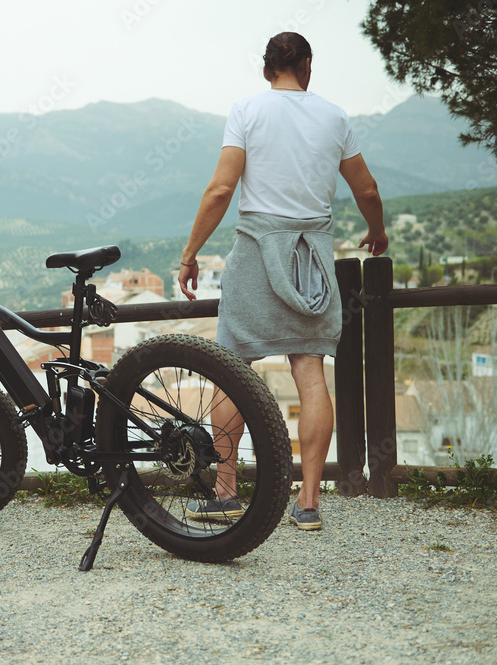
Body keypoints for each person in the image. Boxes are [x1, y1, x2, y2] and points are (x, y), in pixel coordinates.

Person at [179, 32, 387, 531]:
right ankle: (310, 502)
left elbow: (222, 188)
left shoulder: (246, 110)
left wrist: (190, 255)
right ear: (307, 65)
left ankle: (227, 491)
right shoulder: (334, 116)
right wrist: (376, 232)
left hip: (255, 252)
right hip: (310, 258)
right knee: (310, 373)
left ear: (267, 68)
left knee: (233, 368)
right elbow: (367, 188)